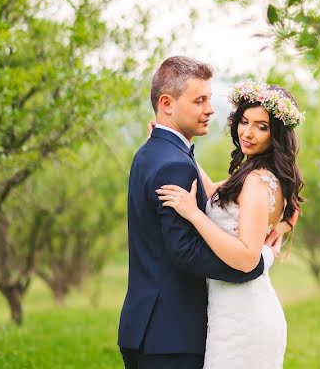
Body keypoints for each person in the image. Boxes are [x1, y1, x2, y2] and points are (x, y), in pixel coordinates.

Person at [118, 57, 292, 369]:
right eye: (200, 100)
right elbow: (209, 200)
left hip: (222, 320)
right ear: (167, 104)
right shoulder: (176, 161)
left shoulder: (150, 155)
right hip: (171, 333)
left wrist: (259, 255)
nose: (210, 109)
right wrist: (261, 259)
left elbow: (240, 234)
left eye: (262, 126)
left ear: (276, 134)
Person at [157, 79, 305, 369]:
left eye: (261, 127)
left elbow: (248, 258)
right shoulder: (256, 173)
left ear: (276, 134)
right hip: (231, 311)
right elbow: (213, 192)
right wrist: (176, 144)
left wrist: (193, 214)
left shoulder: (256, 181)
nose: (247, 133)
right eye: (244, 121)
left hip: (244, 318)